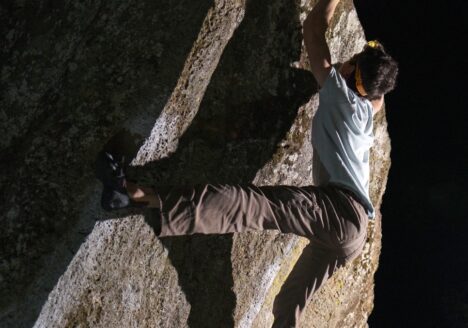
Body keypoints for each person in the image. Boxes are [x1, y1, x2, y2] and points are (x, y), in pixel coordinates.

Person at [95, 0, 398, 326]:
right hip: (352, 236)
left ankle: (133, 193)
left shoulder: (338, 90)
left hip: (339, 210)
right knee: (289, 302)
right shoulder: (369, 110)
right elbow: (377, 93)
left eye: (350, 62)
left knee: (251, 205)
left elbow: (314, 26)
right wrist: (366, 68)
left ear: (351, 72)